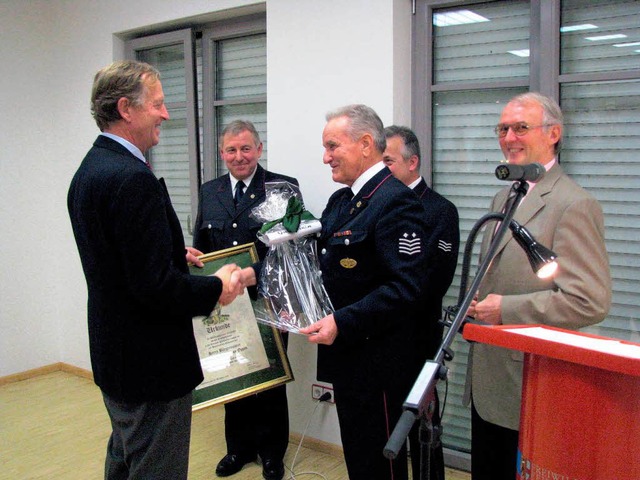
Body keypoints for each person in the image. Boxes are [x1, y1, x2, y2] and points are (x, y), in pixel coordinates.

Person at [67, 60, 244, 480]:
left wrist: (167, 250)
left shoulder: (91, 169)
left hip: (116, 356)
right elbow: (155, 289)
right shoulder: (131, 178)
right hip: (150, 363)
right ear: (126, 108)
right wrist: (215, 288)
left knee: (125, 458)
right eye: (159, 104)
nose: (166, 114)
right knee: (155, 468)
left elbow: (114, 257)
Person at [464, 92, 612, 480]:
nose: (509, 137)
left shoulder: (573, 204)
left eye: (521, 128)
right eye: (503, 128)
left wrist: (506, 309)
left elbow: (588, 301)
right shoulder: (504, 194)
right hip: (489, 379)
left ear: (554, 134)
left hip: (532, 386)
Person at [299, 105, 430, 480]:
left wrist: (342, 321)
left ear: (366, 144)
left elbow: (406, 288)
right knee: (359, 456)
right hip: (349, 357)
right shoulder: (343, 201)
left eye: (332, 146)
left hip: (379, 363)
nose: (326, 158)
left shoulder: (395, 200)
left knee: (380, 464)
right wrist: (253, 273)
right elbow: (316, 260)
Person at [192, 120, 298, 480]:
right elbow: (204, 250)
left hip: (268, 300)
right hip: (225, 303)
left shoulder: (281, 189)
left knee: (269, 380)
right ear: (222, 153)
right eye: (231, 150)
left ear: (259, 149)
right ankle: (237, 449)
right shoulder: (210, 192)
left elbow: (293, 251)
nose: (239, 156)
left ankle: (272, 454)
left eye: (246, 148)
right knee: (232, 376)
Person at [383, 125, 459, 480]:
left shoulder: (440, 209)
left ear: (413, 162)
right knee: (390, 428)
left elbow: (436, 279)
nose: (383, 169)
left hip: (418, 335)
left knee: (425, 427)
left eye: (389, 161)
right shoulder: (379, 205)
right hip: (382, 336)